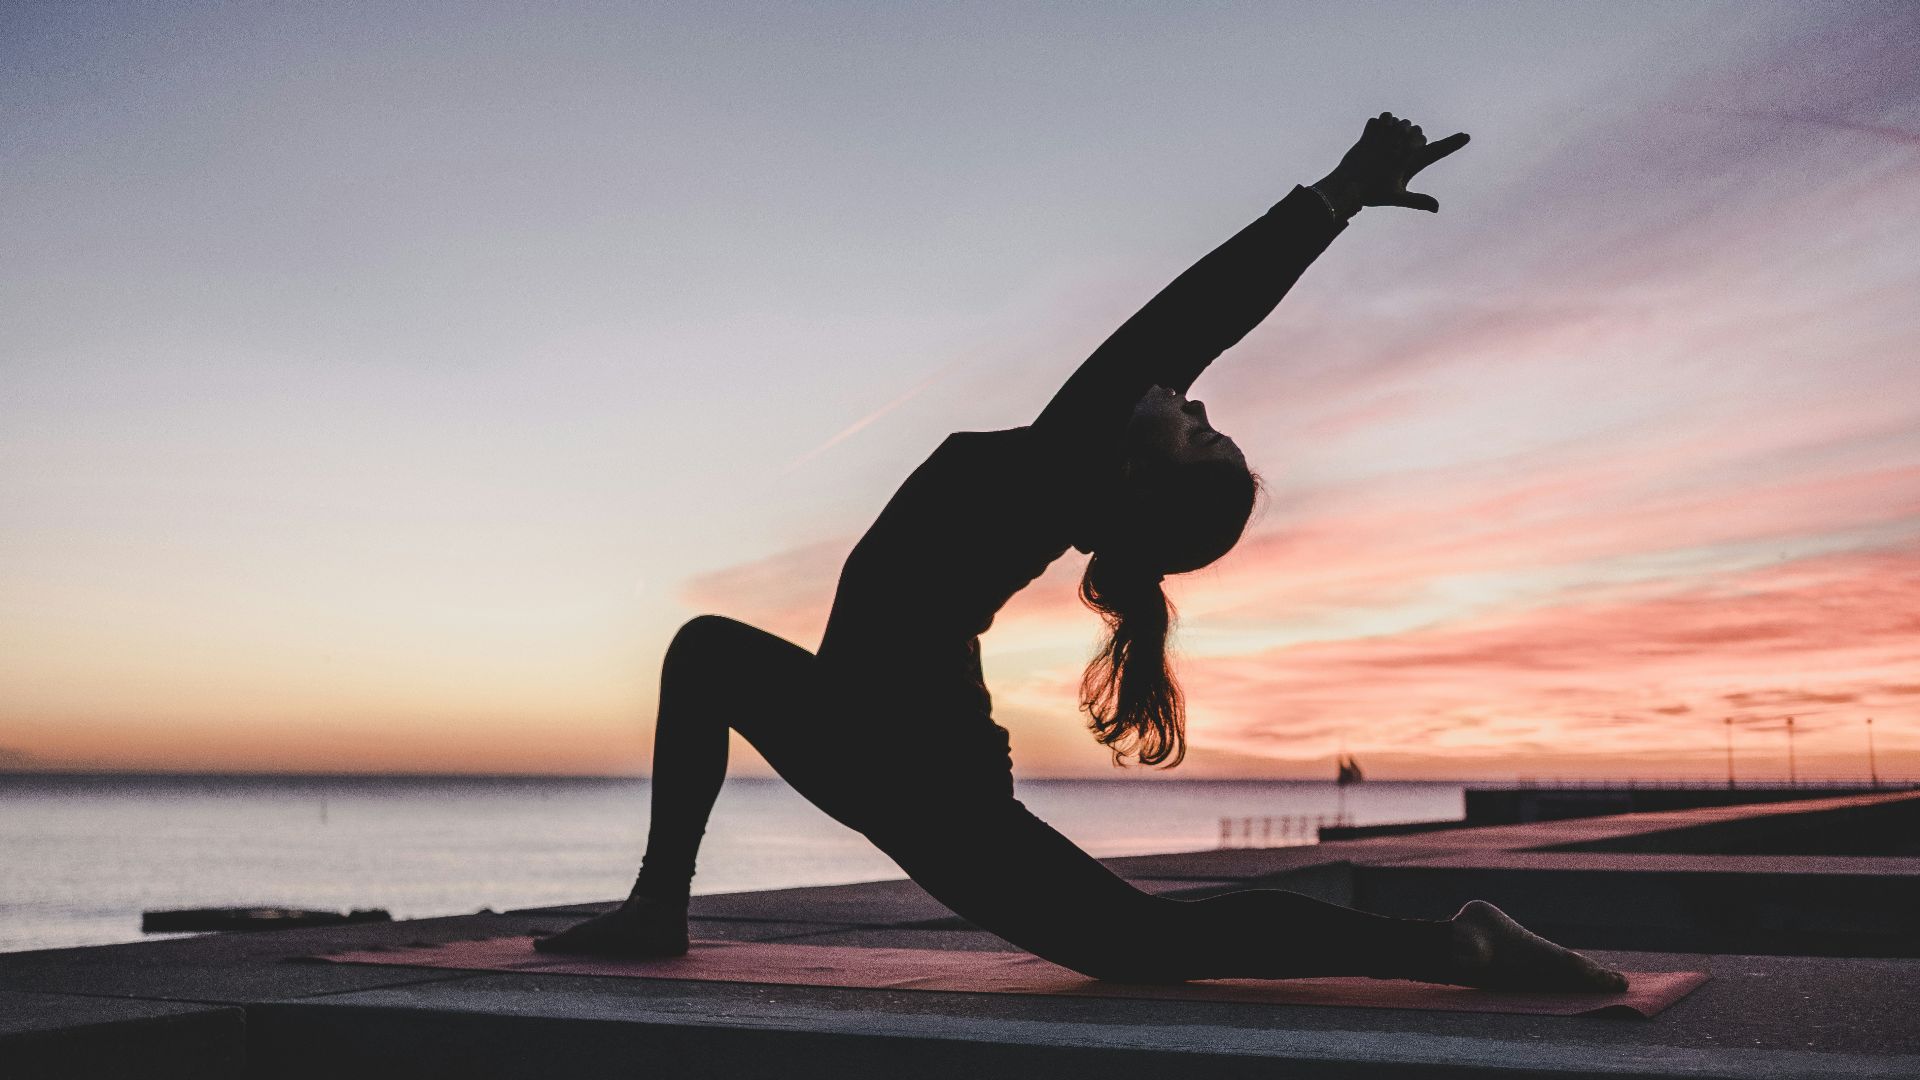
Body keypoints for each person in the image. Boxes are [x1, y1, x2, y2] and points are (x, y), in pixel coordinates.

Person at [538, 113, 1627, 992]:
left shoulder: (1068, 460)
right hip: (864, 732)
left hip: (915, 769)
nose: (1190, 398)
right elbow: (1188, 337)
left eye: (1198, 429)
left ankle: (1454, 945)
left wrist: (1336, 197)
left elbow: (1196, 315)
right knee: (706, 652)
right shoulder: (1062, 476)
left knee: (1145, 951)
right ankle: (658, 906)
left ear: (1140, 480)